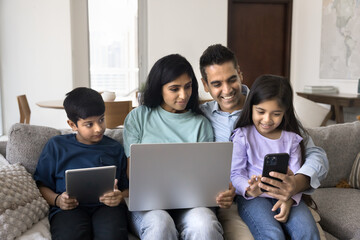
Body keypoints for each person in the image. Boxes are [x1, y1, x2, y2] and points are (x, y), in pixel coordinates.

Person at [199, 44, 329, 239]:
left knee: (308, 233)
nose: (227, 90)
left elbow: (315, 155)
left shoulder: (268, 102)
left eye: (232, 79)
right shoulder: (200, 117)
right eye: (217, 84)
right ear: (205, 85)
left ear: (240, 74)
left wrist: (295, 185)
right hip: (242, 199)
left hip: (283, 194)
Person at [123, 54, 223, 240]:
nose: (183, 95)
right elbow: (132, 173)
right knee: (160, 225)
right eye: (174, 89)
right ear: (158, 88)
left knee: (204, 225)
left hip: (192, 204)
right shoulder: (139, 117)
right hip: (149, 205)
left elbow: (206, 175)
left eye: (188, 86)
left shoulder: (200, 123)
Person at [231, 74, 320, 239]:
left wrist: (289, 199)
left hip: (287, 195)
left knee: (308, 233)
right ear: (251, 107)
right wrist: (249, 189)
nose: (267, 119)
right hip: (253, 199)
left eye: (276, 114)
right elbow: (236, 174)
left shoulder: (292, 139)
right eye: (261, 111)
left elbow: (295, 175)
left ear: (285, 112)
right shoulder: (242, 136)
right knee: (272, 235)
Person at [33, 87, 129, 240]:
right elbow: (41, 185)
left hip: (108, 208)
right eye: (89, 124)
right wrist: (57, 200)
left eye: (101, 119)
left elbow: (128, 189)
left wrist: (120, 197)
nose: (99, 128)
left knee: (112, 235)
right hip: (69, 209)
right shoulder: (56, 146)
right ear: (72, 125)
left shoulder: (115, 148)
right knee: (69, 236)